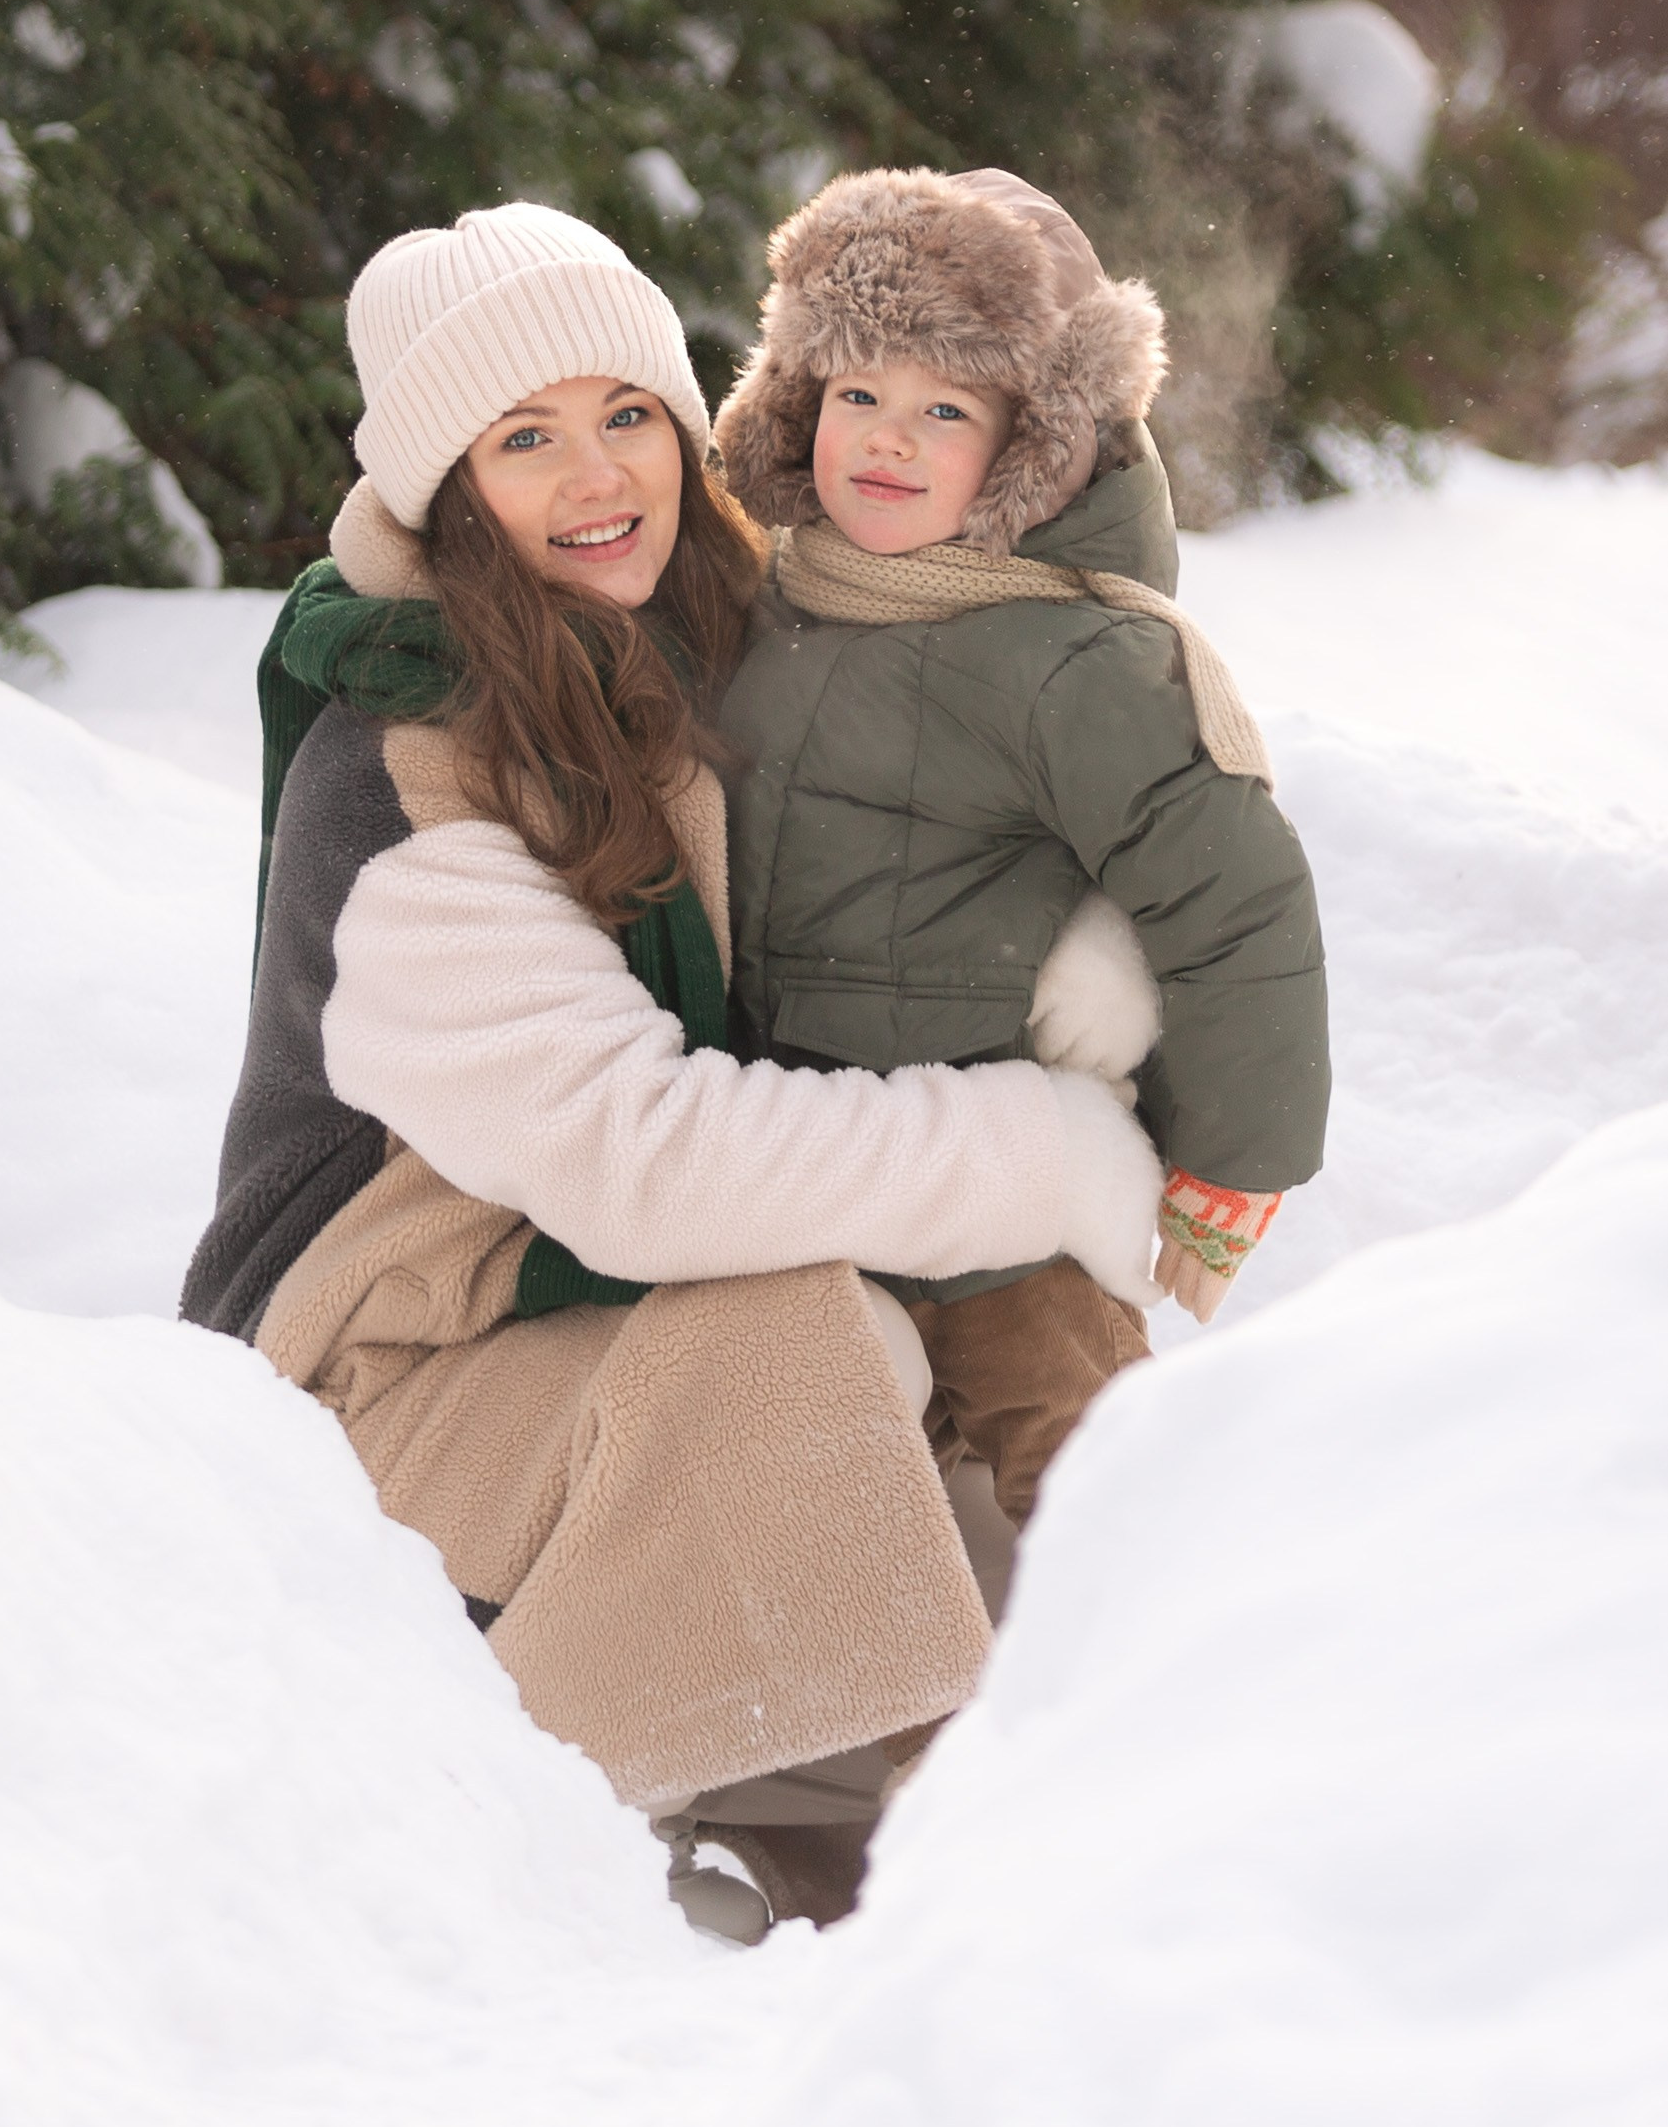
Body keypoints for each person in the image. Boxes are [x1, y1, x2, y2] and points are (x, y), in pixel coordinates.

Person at [181, 201, 1163, 1937]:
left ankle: (1138, 1747)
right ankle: (696, 1825)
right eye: (524, 438)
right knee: (802, 1334)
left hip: (581, 1319)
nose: (593, 475)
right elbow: (645, 1159)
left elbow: (1025, 629)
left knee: (1005, 1328)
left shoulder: (708, 643)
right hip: (384, 1392)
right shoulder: (400, 761)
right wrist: (1033, 1147)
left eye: (623, 411)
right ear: (442, 489)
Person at [713, 163, 1331, 1534]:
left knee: (1078, 1444)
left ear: (1034, 443)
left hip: (1002, 1174)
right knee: (801, 1460)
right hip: (794, 1140)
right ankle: (848, 1681)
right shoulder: (769, 588)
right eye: (857, 394)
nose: (886, 438)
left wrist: (1233, 1157)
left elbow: (1232, 898)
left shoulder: (1074, 654)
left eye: (946, 409)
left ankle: (1136, 1677)